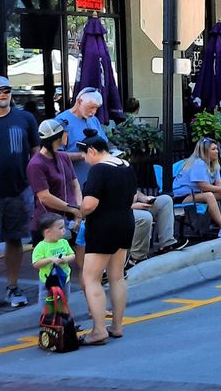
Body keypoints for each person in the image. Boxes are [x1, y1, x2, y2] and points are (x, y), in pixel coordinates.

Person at [77, 134, 134, 344]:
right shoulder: (126, 165)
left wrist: (79, 212)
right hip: (126, 221)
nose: (85, 160)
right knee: (117, 276)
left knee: (91, 278)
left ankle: (98, 330)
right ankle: (117, 326)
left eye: (84, 155)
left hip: (103, 226)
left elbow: (90, 204)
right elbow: (133, 197)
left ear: (91, 151)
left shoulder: (99, 169)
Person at [0, 76, 39, 307]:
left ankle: (13, 287)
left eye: (6, 90)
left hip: (18, 190)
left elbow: (36, 153)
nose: (2, 94)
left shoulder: (25, 119)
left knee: (14, 239)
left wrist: (34, 183)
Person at [28, 118, 84, 284]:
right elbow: (44, 196)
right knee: (51, 276)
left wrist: (78, 210)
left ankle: (93, 308)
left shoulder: (63, 157)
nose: (67, 135)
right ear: (56, 138)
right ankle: (52, 309)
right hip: (50, 223)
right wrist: (73, 209)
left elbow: (75, 184)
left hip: (73, 219)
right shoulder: (36, 164)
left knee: (85, 265)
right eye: (64, 133)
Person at [56, 87, 108, 189]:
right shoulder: (63, 122)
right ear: (79, 102)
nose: (93, 111)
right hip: (74, 184)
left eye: (96, 108)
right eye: (91, 107)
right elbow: (57, 155)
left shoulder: (93, 120)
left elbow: (104, 143)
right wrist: (84, 155)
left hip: (96, 182)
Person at [31, 214, 74, 294]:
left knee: (64, 301)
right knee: (47, 303)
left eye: (64, 227)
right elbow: (36, 264)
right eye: (60, 228)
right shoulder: (41, 246)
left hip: (64, 279)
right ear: (48, 232)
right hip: (48, 281)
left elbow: (72, 255)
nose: (64, 230)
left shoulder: (64, 242)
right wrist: (50, 259)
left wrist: (65, 259)